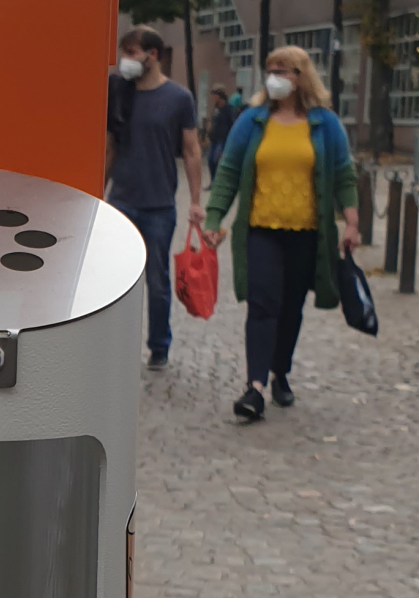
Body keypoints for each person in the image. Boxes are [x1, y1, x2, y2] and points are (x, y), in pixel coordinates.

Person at [203, 43, 358, 422]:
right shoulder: (252, 120)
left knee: (291, 308)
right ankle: (254, 387)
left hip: (306, 233)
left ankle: (280, 372)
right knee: (262, 304)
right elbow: (228, 171)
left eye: (281, 71)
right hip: (261, 230)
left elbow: (343, 174)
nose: (273, 78)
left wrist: (352, 222)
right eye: (269, 70)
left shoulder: (325, 124)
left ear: (300, 77)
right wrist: (214, 218)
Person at [106, 27, 205, 369]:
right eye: (124, 53)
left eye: (132, 53)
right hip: (121, 201)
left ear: (153, 56)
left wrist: (195, 201)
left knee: (157, 281)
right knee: (115, 281)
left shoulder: (179, 98)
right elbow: (110, 147)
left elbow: (191, 151)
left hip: (159, 205)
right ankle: (115, 344)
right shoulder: (119, 93)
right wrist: (98, 193)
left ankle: (159, 347)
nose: (126, 60)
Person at [206, 87, 233, 180]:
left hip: (223, 139)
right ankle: (212, 180)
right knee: (210, 160)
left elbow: (231, 124)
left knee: (216, 160)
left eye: (214, 95)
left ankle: (218, 180)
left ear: (219, 96)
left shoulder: (228, 108)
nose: (213, 98)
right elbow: (213, 119)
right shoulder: (216, 108)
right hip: (214, 138)